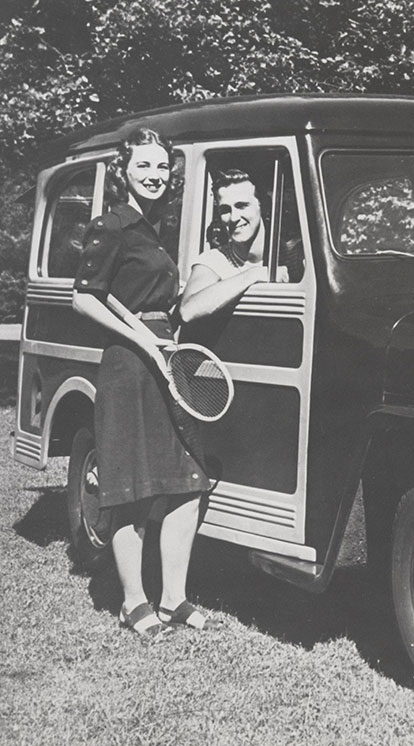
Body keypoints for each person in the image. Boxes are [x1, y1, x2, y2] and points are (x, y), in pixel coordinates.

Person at [72, 127, 217, 637]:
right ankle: (134, 602)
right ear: (123, 171)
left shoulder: (155, 227)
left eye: (161, 168)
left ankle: (173, 598)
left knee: (186, 482)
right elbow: (84, 298)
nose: (155, 176)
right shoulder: (109, 226)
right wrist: (140, 339)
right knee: (132, 487)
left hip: (164, 357)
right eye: (144, 167)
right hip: (129, 364)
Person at [178, 169, 289, 323]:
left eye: (242, 206)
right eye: (225, 210)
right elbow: (188, 310)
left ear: (262, 205)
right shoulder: (215, 259)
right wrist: (254, 275)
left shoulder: (290, 254)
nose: (234, 217)